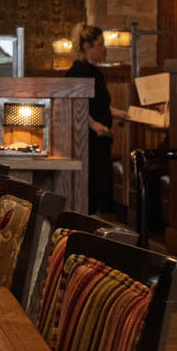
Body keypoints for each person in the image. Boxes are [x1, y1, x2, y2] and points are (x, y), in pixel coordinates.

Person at [66, 22, 115, 215]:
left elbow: (96, 104)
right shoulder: (80, 71)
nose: (105, 49)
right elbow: (75, 105)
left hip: (98, 141)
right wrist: (94, 125)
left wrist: (119, 113)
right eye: (101, 44)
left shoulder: (92, 71)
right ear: (88, 47)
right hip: (89, 142)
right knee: (91, 191)